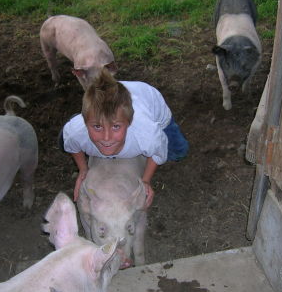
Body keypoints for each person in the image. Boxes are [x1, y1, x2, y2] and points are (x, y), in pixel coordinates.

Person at [59, 68, 188, 208]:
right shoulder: (75, 133)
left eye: (116, 127)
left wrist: (145, 181)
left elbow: (158, 152)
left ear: (129, 123)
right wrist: (83, 169)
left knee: (179, 151)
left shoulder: (149, 134)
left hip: (147, 98)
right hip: (108, 111)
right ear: (85, 123)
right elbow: (72, 145)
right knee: (64, 139)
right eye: (97, 127)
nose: (106, 138)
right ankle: (78, 120)